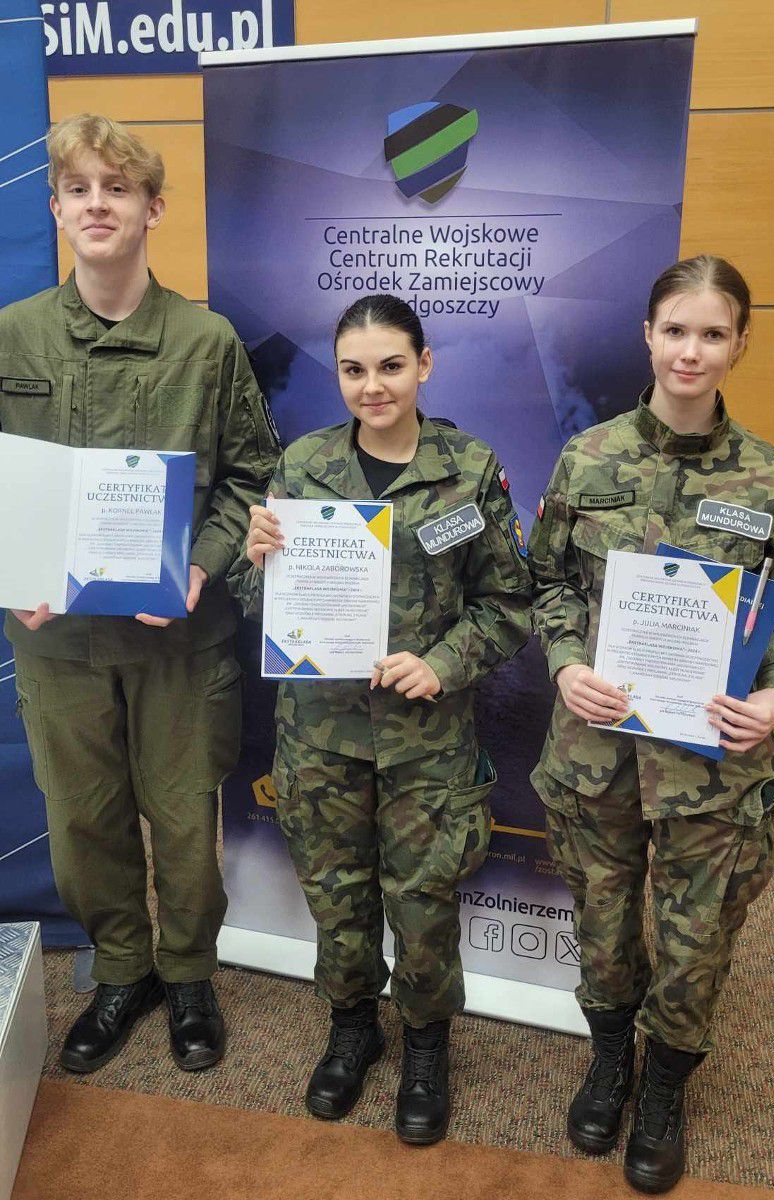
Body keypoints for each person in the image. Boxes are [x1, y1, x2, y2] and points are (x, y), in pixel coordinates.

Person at [1, 114, 278, 1073]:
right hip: (56, 640)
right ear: (55, 208)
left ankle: (190, 973)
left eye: (117, 189)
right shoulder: (13, 336)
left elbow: (254, 476)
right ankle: (122, 969)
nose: (98, 206)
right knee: (83, 821)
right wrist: (12, 571)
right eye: (79, 189)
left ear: (153, 209)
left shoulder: (207, 340)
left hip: (178, 637)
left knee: (186, 820)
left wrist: (201, 564)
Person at [229, 294, 531, 1144]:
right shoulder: (304, 466)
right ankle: (352, 1025)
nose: (374, 386)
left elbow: (510, 604)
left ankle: (426, 1044)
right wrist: (255, 562)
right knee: (336, 895)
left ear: (424, 365)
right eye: (354, 370)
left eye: (392, 366)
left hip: (425, 740)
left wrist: (442, 663)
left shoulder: (469, 470)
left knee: (423, 901)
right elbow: (257, 602)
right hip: (320, 735)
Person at [529, 254, 774, 1193]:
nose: (691, 351)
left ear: (739, 344)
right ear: (647, 335)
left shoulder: (772, 477)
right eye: (676, 330)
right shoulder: (588, 457)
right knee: (605, 929)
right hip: (598, 753)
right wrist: (567, 664)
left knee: (695, 945)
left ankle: (665, 1087)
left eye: (713, 334)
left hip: (714, 765)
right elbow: (549, 583)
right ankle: (612, 1057)